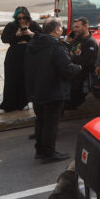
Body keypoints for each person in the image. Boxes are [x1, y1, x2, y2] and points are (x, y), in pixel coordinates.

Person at [24, 18, 78, 163]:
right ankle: (48, 152)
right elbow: (66, 69)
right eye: (61, 28)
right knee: (50, 123)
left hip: (37, 89)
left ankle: (40, 150)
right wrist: (78, 68)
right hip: (52, 90)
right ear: (56, 30)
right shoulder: (55, 46)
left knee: (40, 120)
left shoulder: (34, 44)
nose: (62, 30)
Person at [0, 7, 41, 112]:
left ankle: (23, 102)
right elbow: (4, 38)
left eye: (24, 18)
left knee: (24, 78)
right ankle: (7, 104)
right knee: (11, 79)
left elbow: (43, 37)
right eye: (19, 18)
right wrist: (16, 35)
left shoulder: (33, 25)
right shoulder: (11, 26)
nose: (21, 20)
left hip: (28, 55)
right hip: (14, 55)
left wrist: (31, 34)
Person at [65, 17, 97, 110]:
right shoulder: (76, 39)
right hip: (70, 68)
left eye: (77, 27)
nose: (74, 29)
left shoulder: (90, 42)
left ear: (86, 26)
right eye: (74, 27)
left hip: (80, 74)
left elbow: (89, 62)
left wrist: (73, 57)